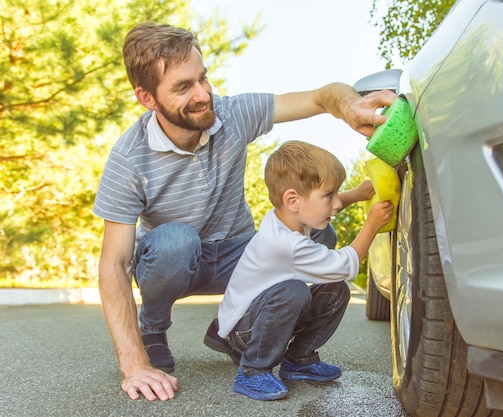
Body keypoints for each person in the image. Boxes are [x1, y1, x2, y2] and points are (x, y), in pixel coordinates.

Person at [93, 21, 397, 402]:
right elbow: (113, 265)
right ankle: (153, 327)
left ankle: (242, 332)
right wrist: (133, 363)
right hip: (175, 262)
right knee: (177, 241)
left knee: (319, 231)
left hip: (238, 253)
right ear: (147, 97)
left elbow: (321, 97)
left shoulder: (231, 115)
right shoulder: (129, 159)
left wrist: (350, 105)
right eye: (183, 87)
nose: (203, 94)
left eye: (202, 79)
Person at [209, 140, 393, 401]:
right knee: (294, 292)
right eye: (330, 195)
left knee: (335, 289)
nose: (337, 203)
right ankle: (252, 370)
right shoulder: (285, 243)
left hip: (260, 317)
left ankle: (299, 359)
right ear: (293, 200)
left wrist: (356, 194)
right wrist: (371, 225)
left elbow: (317, 211)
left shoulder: (286, 218)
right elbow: (345, 265)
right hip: (243, 332)